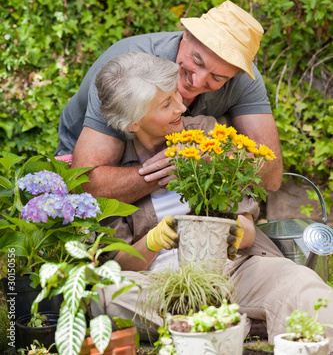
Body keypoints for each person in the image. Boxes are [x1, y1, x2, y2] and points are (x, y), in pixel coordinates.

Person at [91, 51, 333, 350]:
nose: (181, 106)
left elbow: (248, 222)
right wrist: (153, 240)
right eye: (167, 104)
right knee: (108, 296)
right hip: (164, 288)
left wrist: (239, 232)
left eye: (175, 95)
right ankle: (236, 322)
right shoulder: (114, 177)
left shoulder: (205, 132)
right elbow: (119, 264)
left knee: (301, 283)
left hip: (234, 270)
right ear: (133, 123)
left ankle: (218, 323)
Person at [56, 0, 283, 202]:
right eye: (197, 61)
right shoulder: (127, 70)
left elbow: (271, 176)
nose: (197, 81)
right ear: (185, 36)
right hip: (102, 165)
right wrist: (179, 165)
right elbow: (85, 182)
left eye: (217, 78)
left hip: (169, 169)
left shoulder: (244, 79)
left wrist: (213, 156)